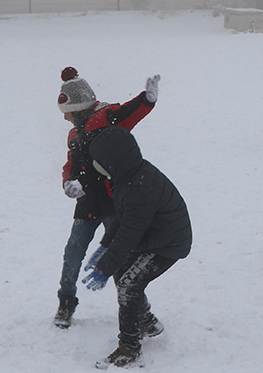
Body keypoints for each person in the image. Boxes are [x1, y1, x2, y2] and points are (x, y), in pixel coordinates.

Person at [52, 67, 159, 329]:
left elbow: (130, 111)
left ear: (77, 107)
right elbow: (71, 164)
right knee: (73, 253)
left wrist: (147, 99)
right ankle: (66, 302)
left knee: (120, 258)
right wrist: (68, 181)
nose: (64, 117)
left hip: (114, 202)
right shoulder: (74, 134)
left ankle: (142, 313)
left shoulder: (106, 117)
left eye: (66, 111)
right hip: (87, 204)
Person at [82, 126, 191, 369]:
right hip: (152, 235)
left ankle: (129, 349)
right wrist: (105, 247)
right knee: (123, 274)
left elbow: (130, 234)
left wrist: (106, 264)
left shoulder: (138, 187)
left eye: (99, 161)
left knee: (128, 285)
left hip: (168, 243)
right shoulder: (129, 176)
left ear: (112, 161)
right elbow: (123, 219)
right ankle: (146, 322)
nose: (96, 166)